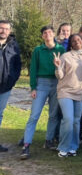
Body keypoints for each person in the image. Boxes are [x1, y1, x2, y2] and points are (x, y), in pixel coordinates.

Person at [20, 26, 65, 159]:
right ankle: (26, 145)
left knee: (53, 115)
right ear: (42, 36)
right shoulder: (38, 50)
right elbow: (33, 69)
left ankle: (49, 140)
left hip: (56, 83)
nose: (47, 34)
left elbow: (64, 69)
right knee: (34, 115)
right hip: (41, 83)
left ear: (54, 34)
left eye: (50, 32)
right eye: (45, 33)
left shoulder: (61, 49)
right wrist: (33, 87)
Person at [54, 34, 82, 158]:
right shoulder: (65, 56)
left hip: (80, 92)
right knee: (68, 119)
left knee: (76, 121)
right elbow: (60, 76)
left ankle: (73, 147)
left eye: (78, 40)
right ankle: (63, 147)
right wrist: (57, 67)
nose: (76, 42)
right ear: (70, 44)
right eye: (73, 41)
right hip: (65, 91)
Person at [0, 20, 21, 152]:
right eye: (1, 28)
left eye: (6, 29)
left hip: (5, 87)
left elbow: (17, 65)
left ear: (10, 31)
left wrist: (12, 80)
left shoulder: (14, 46)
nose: (3, 31)